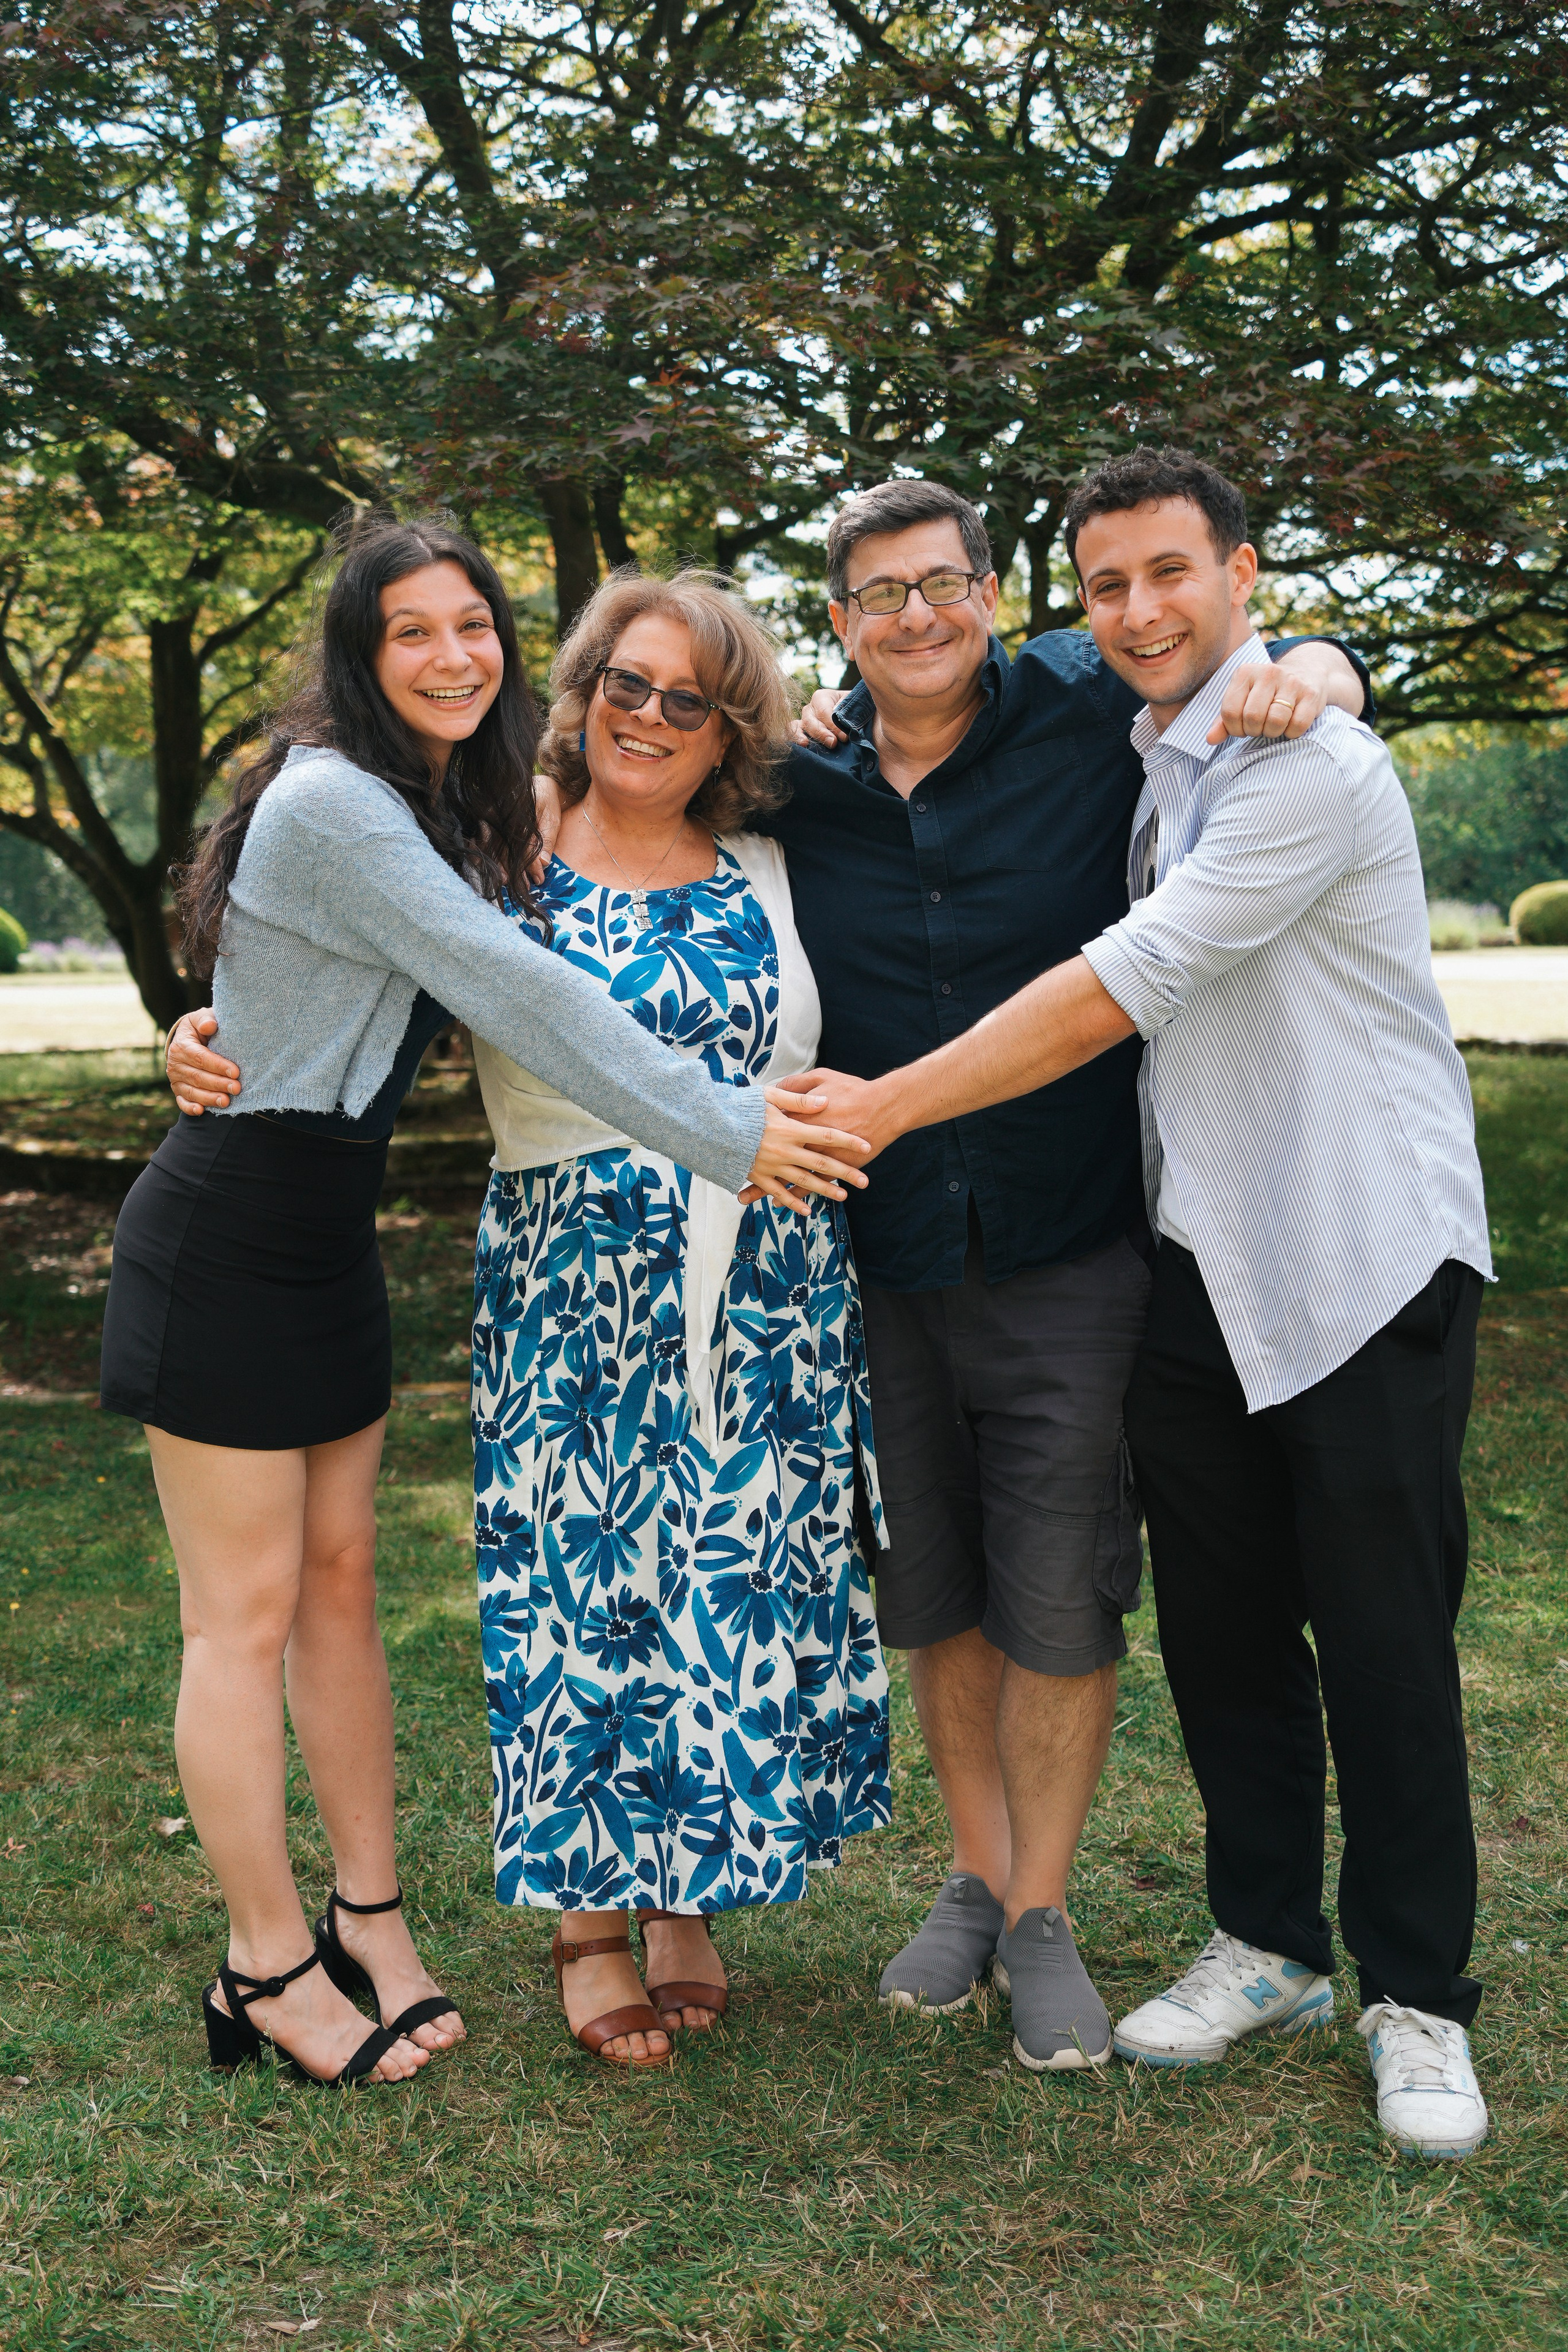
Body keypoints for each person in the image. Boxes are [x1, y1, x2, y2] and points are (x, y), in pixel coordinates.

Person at [785, 449, 1493, 2159]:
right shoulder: (1145, 740)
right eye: (1108, 585)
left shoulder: (1303, 760)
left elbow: (1126, 983)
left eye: (1172, 573)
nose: (1140, 609)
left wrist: (882, 1108)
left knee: (1382, 1641)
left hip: (1362, 1255)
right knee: (1225, 1634)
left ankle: (1416, 1996)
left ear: (1241, 573)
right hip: (1192, 1258)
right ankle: (1270, 1944)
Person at [123, 516, 870, 2089]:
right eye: (412, 630)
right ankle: (265, 1967)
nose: (453, 654)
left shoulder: (438, 802)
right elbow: (515, 982)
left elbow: (315, 981)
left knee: (339, 1594)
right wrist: (734, 1131)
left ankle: (372, 1926)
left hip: (325, 1237)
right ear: (359, 652)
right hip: (232, 1236)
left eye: (473, 624)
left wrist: (215, 1021)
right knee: (237, 1620)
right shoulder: (344, 801)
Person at [466, 570, 889, 2067]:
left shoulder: (769, 867)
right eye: (623, 684)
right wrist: (212, 1033)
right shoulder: (496, 856)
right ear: (582, 693)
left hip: (765, 1296)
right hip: (570, 1286)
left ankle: (682, 1894)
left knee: (719, 1583)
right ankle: (587, 1920)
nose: (646, 716)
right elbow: (344, 963)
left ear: (729, 732)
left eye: (686, 700)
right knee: (581, 1585)